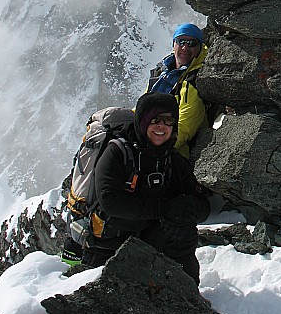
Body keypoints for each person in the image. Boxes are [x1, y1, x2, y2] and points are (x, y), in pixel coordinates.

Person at [82, 92, 209, 285]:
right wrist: (166, 209)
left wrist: (188, 208)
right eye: (154, 119)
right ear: (142, 121)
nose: (161, 126)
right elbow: (110, 202)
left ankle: (186, 293)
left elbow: (203, 206)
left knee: (183, 230)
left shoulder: (173, 161)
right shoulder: (117, 153)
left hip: (145, 238)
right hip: (109, 244)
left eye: (168, 121)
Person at [147, 23, 208, 158]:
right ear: (174, 44)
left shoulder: (197, 79)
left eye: (192, 43)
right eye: (181, 42)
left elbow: (185, 127)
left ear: (199, 48)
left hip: (174, 152)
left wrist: (153, 147)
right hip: (151, 134)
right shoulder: (160, 73)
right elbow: (143, 107)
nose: (185, 47)